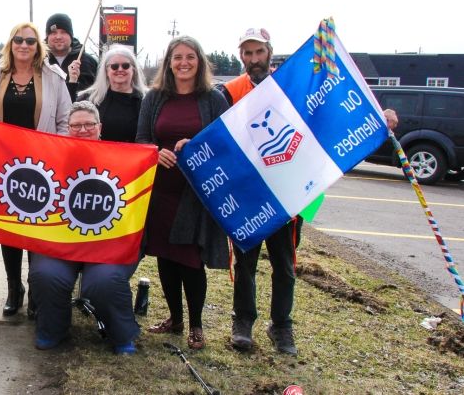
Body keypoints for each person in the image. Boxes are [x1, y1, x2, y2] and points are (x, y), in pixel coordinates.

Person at [221, 28, 400, 356]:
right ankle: (243, 321)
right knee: (245, 262)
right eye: (246, 53)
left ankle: (281, 325)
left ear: (269, 52)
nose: (253, 59)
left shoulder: (294, 83)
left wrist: (380, 116)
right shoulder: (230, 91)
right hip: (250, 192)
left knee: (284, 264)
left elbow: (335, 103)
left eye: (258, 52)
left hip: (290, 191)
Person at [135, 36, 230, 351]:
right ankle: (175, 319)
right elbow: (141, 140)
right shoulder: (154, 98)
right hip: (161, 190)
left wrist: (196, 146)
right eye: (177, 57)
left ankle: (197, 325)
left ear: (199, 61)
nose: (184, 62)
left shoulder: (214, 99)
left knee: (190, 258)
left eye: (190, 57)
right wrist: (155, 152)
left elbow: (227, 145)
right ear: (169, 62)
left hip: (195, 192)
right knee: (165, 255)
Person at [0, 22, 71, 318]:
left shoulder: (53, 77)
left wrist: (58, 155)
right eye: (19, 40)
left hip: (43, 166)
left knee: (36, 227)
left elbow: (64, 121)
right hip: (3, 166)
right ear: (10, 43)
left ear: (38, 45)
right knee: (10, 228)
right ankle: (14, 289)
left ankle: (36, 290)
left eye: (30, 41)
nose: (24, 45)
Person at [28, 101, 140, 354]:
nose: (82, 129)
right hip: (62, 240)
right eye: (75, 125)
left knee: (104, 281)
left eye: (88, 124)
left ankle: (121, 334)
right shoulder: (53, 159)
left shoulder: (123, 157)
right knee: (46, 274)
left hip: (108, 243)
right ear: (67, 129)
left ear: (99, 127)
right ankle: (52, 330)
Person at [78, 44, 146, 143]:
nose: (120, 69)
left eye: (125, 66)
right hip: (98, 156)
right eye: (114, 66)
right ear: (106, 70)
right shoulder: (88, 99)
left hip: (136, 156)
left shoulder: (147, 100)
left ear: (133, 69)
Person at [44, 13, 98, 101]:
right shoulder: (38, 61)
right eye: (53, 33)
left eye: (63, 32)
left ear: (71, 35)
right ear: (47, 37)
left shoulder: (88, 62)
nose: (58, 37)